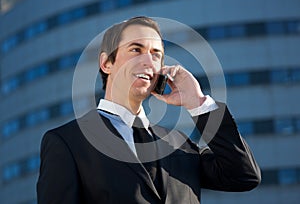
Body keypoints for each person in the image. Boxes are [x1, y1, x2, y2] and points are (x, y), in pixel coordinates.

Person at [37, 16, 261, 203]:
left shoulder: (179, 144)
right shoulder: (67, 142)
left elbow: (244, 176)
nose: (148, 61)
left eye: (156, 54)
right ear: (106, 63)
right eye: (136, 49)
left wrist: (197, 101)